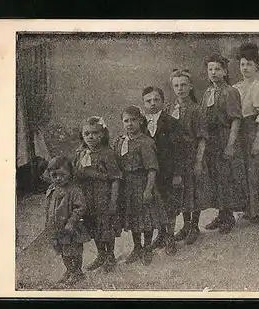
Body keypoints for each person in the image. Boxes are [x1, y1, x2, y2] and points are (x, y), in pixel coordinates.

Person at [113, 105, 168, 264]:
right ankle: (137, 247)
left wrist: (148, 190)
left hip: (142, 184)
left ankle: (147, 247)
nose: (129, 124)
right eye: (126, 121)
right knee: (133, 218)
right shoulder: (120, 141)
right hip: (127, 186)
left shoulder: (146, 142)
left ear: (140, 121)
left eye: (133, 120)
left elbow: (152, 168)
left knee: (146, 218)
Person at [202, 53, 248, 234]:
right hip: (211, 140)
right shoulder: (207, 93)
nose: (214, 73)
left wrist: (230, 145)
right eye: (210, 69)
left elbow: (236, 120)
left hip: (226, 137)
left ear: (225, 71)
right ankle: (221, 213)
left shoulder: (230, 92)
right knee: (216, 177)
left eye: (217, 69)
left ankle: (228, 216)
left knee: (228, 176)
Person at [232, 43, 259, 222]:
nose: (245, 68)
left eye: (249, 64)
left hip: (254, 130)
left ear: (256, 66)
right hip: (239, 131)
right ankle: (248, 208)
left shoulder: (258, 87)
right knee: (244, 171)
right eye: (242, 64)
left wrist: (258, 140)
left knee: (257, 169)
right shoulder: (236, 87)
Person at [73, 116, 121, 273]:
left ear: (102, 134)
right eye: (87, 134)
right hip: (87, 196)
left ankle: (110, 256)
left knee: (105, 226)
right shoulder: (80, 153)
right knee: (92, 225)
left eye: (95, 133)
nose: (91, 137)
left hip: (103, 196)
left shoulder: (107, 153)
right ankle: (101, 254)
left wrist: (113, 201)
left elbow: (115, 178)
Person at [169, 69, 212, 245]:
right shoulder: (170, 108)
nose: (180, 89)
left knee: (194, 191)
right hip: (177, 158)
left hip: (192, 155)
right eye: (176, 85)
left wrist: (199, 161)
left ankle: (194, 226)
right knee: (183, 191)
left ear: (190, 86)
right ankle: (186, 225)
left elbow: (202, 138)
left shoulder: (196, 109)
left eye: (184, 85)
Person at [141, 87, 182, 255]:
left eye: (156, 100)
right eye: (148, 101)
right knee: (156, 205)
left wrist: (177, 173)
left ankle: (170, 237)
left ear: (162, 102)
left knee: (170, 204)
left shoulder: (171, 122)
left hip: (168, 171)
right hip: (151, 173)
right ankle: (161, 234)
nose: (152, 103)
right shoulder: (141, 124)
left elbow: (179, 150)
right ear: (143, 104)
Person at [43, 155, 90, 286]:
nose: (58, 178)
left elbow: (80, 208)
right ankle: (70, 270)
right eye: (54, 175)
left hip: (71, 228)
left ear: (70, 173)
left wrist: (71, 222)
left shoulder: (74, 190)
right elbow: (49, 208)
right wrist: (48, 223)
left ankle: (78, 272)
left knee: (74, 251)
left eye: (62, 175)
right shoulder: (52, 189)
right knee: (63, 252)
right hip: (57, 228)